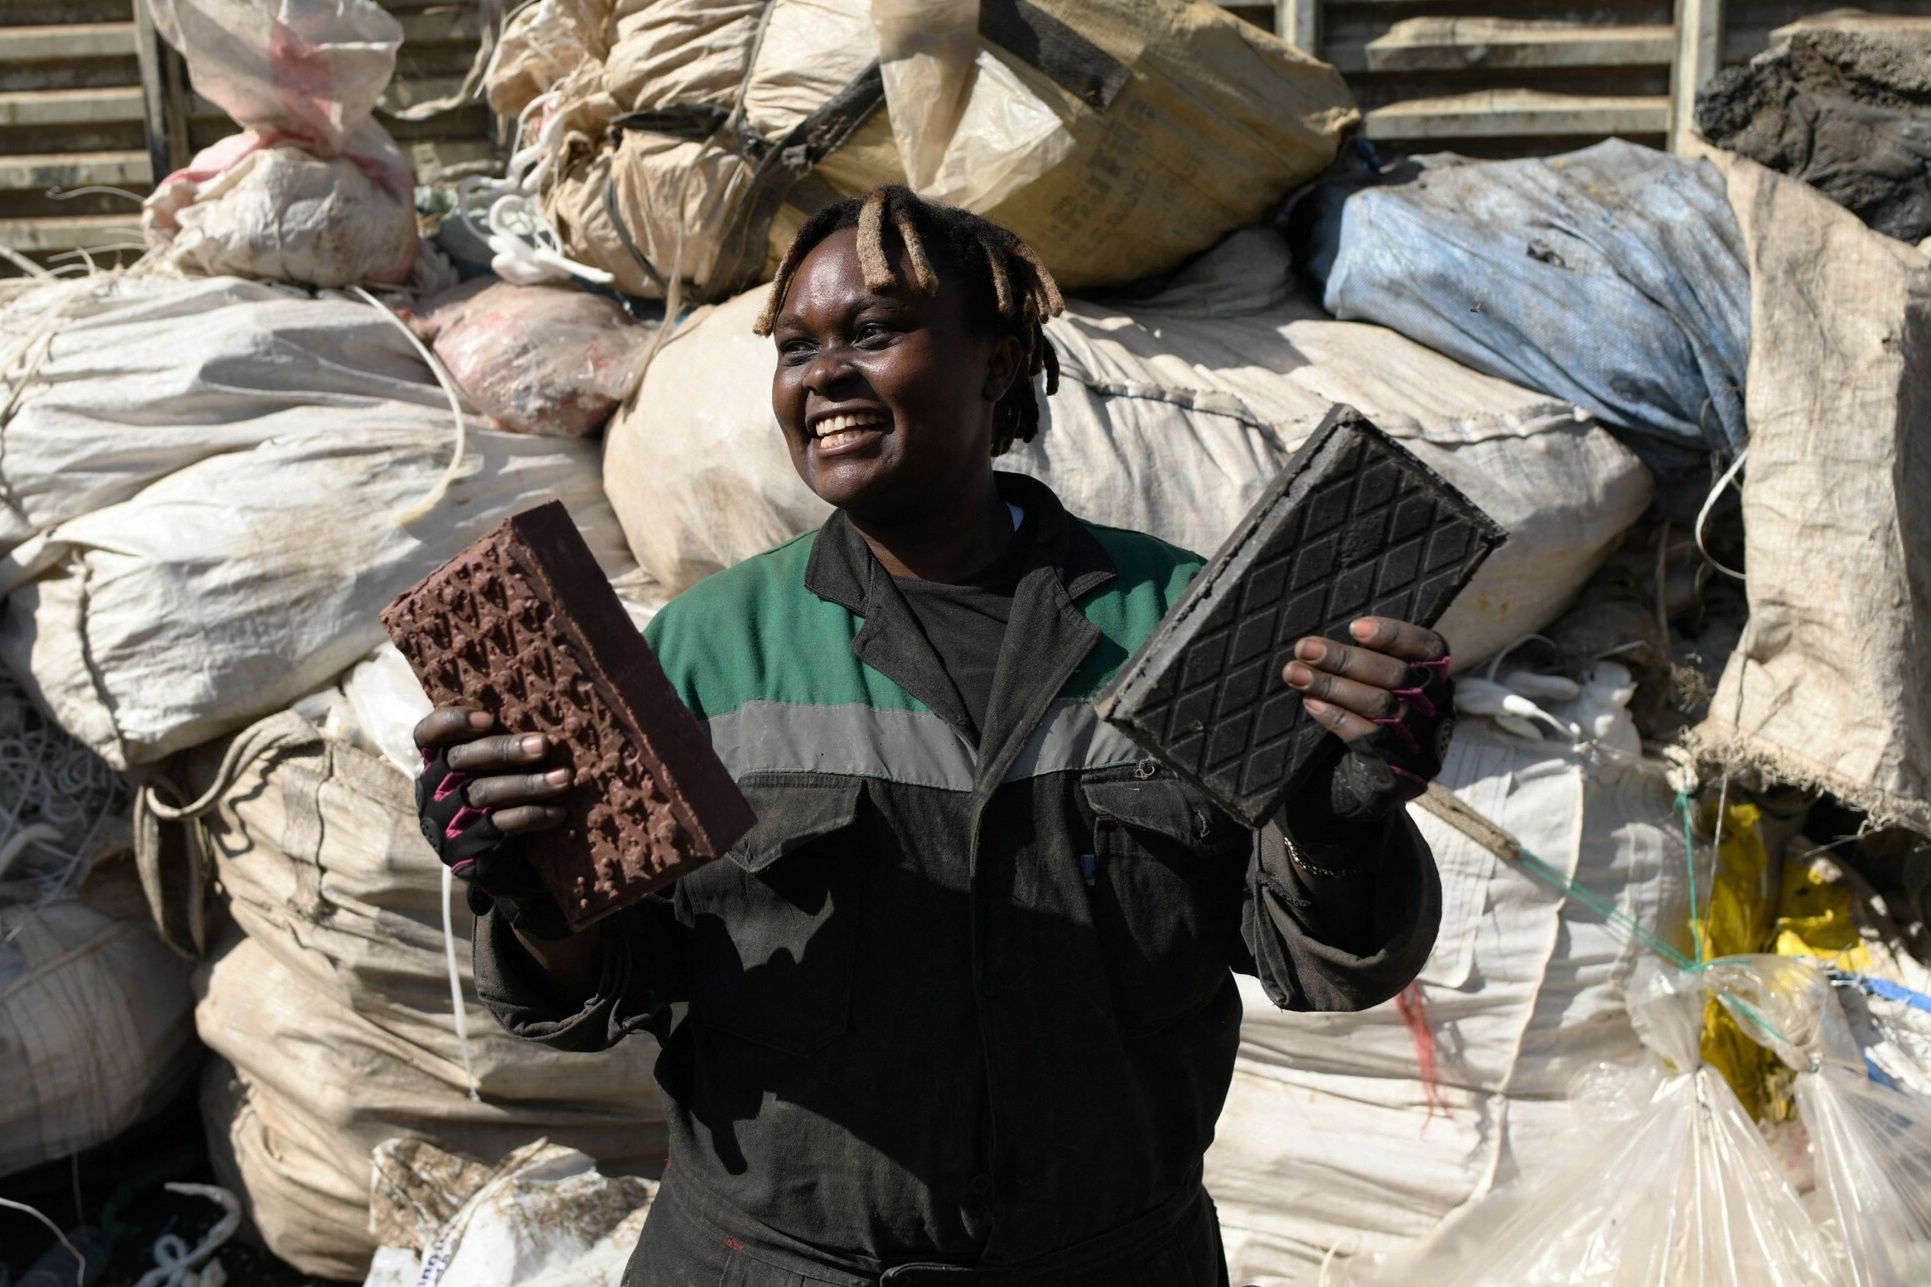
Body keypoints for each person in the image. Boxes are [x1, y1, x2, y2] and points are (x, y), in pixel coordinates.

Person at [413, 186, 1447, 1286]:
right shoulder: (708, 651)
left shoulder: (1178, 623)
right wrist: (535, 893)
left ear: (997, 362)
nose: (822, 375)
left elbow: (1319, 964)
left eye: (871, 332)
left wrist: (1339, 824)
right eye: (796, 348)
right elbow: (597, 992)